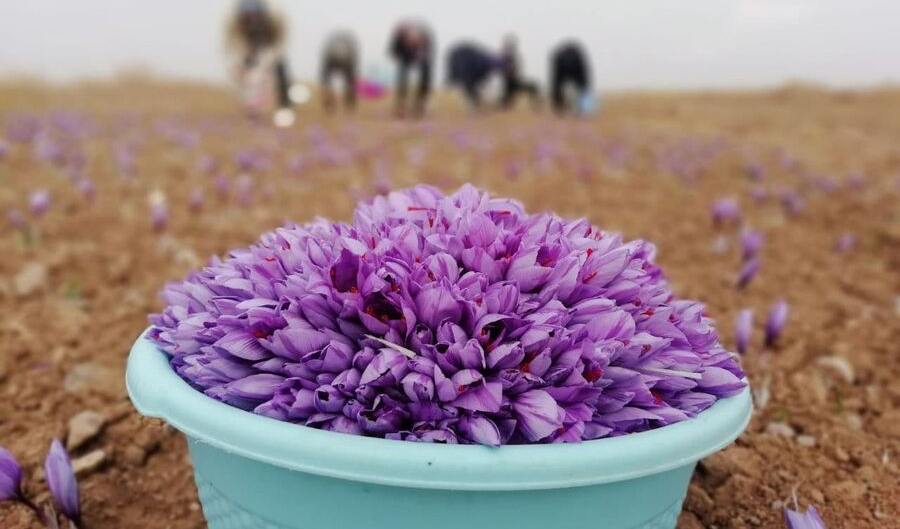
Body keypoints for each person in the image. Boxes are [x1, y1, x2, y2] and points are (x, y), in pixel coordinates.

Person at [225, 0, 294, 127]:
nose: (253, 19)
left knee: (278, 71)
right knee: (247, 76)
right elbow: (235, 43)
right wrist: (240, 63)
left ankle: (284, 106)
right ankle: (251, 107)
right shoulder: (236, 23)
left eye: (255, 15)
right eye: (249, 16)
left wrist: (271, 60)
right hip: (249, 47)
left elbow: (278, 43)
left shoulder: (274, 20)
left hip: (271, 45)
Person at [388, 20, 434, 118]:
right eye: (408, 38)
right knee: (402, 76)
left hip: (422, 56)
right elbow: (393, 53)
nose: (411, 40)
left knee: (425, 77)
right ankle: (401, 104)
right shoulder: (398, 40)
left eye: (414, 39)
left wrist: (419, 53)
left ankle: (420, 105)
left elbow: (427, 57)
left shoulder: (425, 39)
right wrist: (405, 52)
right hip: (405, 55)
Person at [446, 42, 498, 110]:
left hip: (473, 74)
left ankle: (474, 103)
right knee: (470, 89)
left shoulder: (482, 60)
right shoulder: (473, 60)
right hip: (471, 74)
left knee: (471, 89)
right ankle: (473, 103)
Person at [320, 30, 359, 113]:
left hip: (336, 58)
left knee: (328, 83)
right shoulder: (349, 46)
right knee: (350, 83)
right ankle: (348, 103)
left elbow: (325, 77)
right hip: (343, 59)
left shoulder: (333, 46)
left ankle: (331, 103)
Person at [498, 35, 540, 110]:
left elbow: (516, 68)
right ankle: (506, 104)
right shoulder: (506, 57)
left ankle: (535, 104)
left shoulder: (510, 56)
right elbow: (509, 69)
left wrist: (514, 71)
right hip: (511, 82)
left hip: (513, 82)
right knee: (532, 86)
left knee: (532, 85)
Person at [549, 40, 591, 115]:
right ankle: (584, 108)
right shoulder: (578, 55)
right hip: (575, 65)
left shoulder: (560, 55)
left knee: (556, 86)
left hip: (562, 65)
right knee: (583, 86)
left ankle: (558, 108)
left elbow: (555, 83)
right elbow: (585, 80)